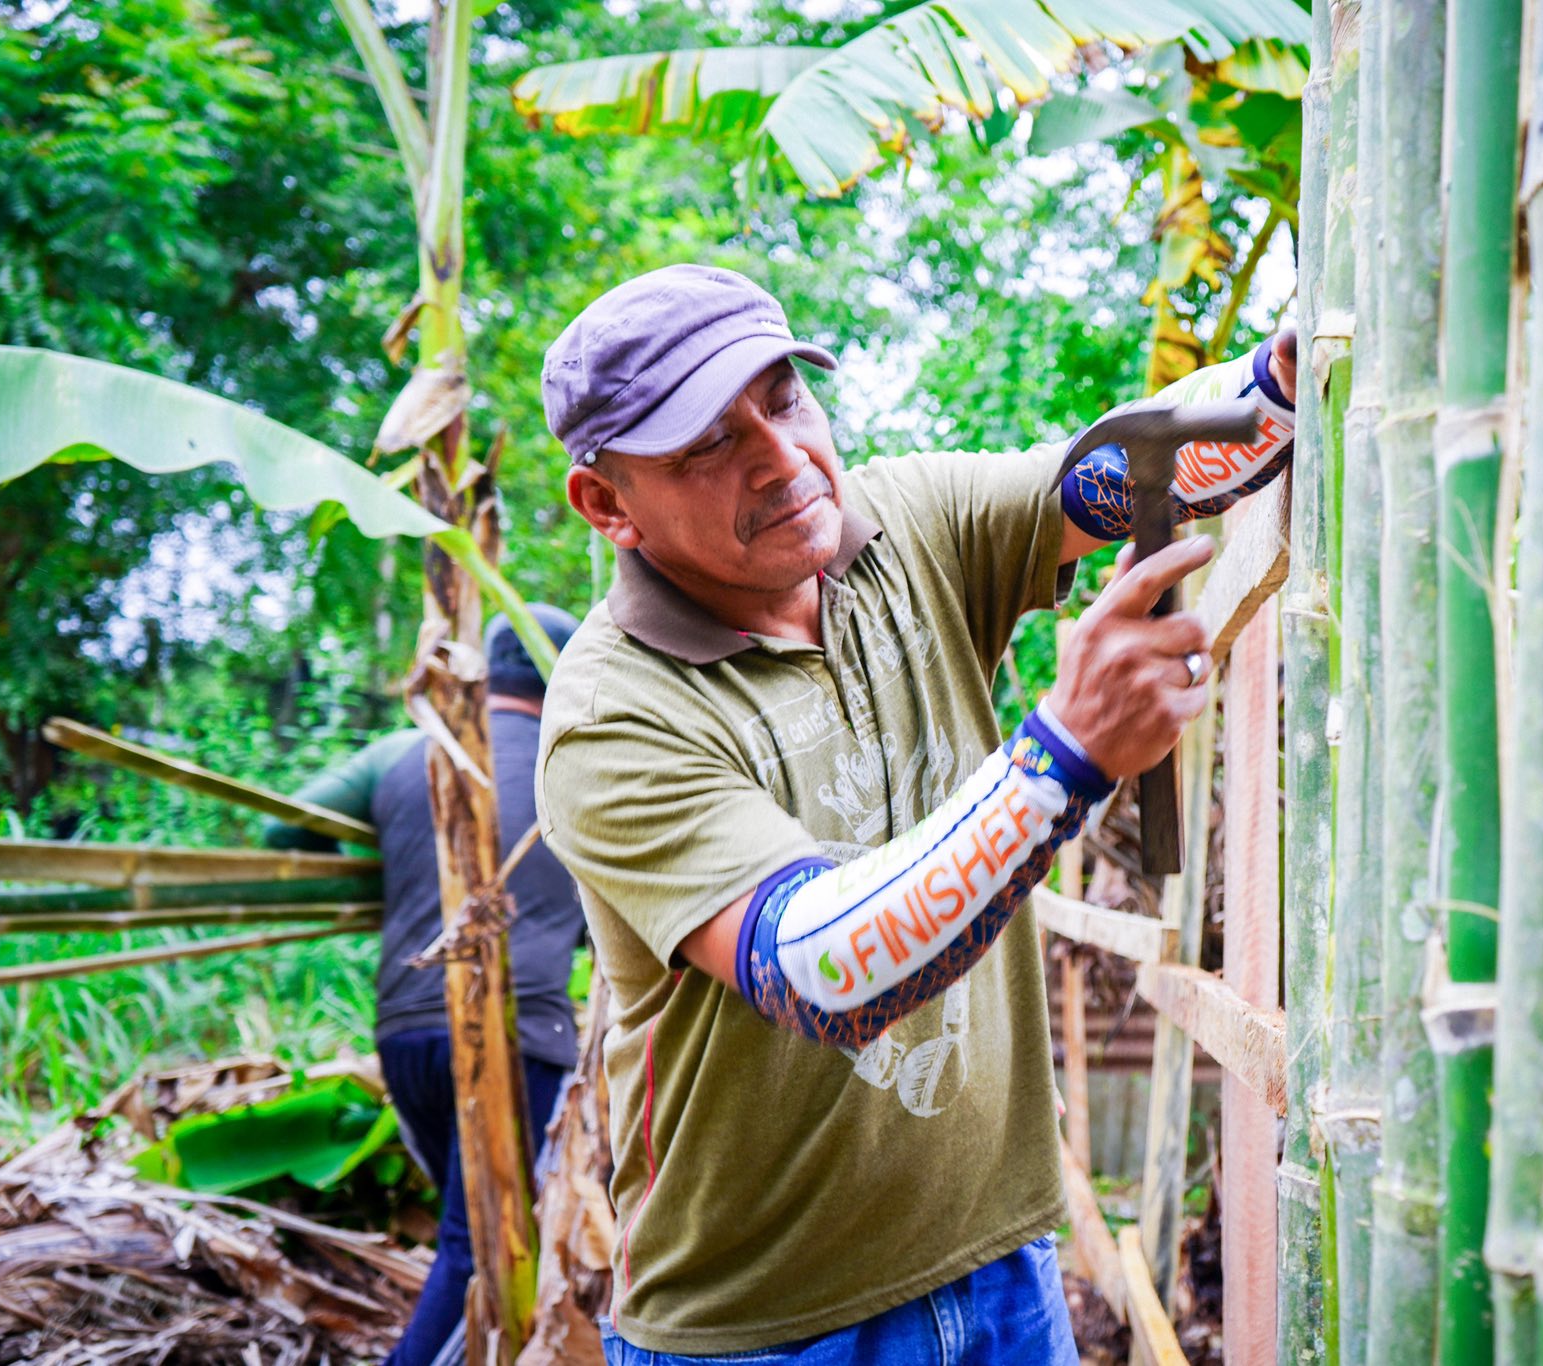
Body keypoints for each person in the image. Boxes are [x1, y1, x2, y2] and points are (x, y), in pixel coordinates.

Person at [536, 264, 1297, 1365]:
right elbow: (819, 970)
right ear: (608, 504)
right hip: (763, 1332)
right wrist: (1063, 755)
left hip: (1002, 1269)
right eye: (706, 445)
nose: (781, 456)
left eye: (784, 398)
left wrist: (1268, 386)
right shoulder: (611, 715)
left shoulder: (901, 524)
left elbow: (1114, 469)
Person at [263, 606, 583, 1366]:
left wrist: (389, 864)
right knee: (483, 1243)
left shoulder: (405, 751)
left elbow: (283, 829)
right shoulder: (578, 770)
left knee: (472, 1235)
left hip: (403, 1033)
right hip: (516, 1038)